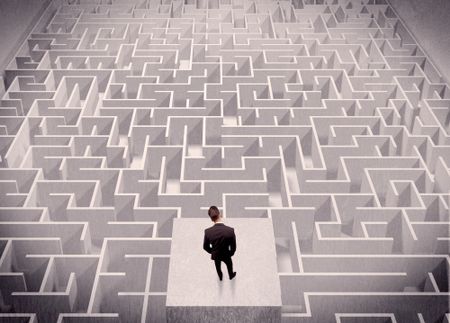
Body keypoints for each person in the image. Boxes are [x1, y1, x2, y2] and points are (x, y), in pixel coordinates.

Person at [203, 206, 237, 281]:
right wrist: (230, 253)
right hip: (226, 254)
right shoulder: (230, 230)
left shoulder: (208, 231)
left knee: (218, 267)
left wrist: (213, 251)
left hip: (216, 254)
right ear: (220, 214)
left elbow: (205, 247)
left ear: (211, 219)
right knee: (229, 265)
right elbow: (233, 246)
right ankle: (231, 275)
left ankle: (220, 277)